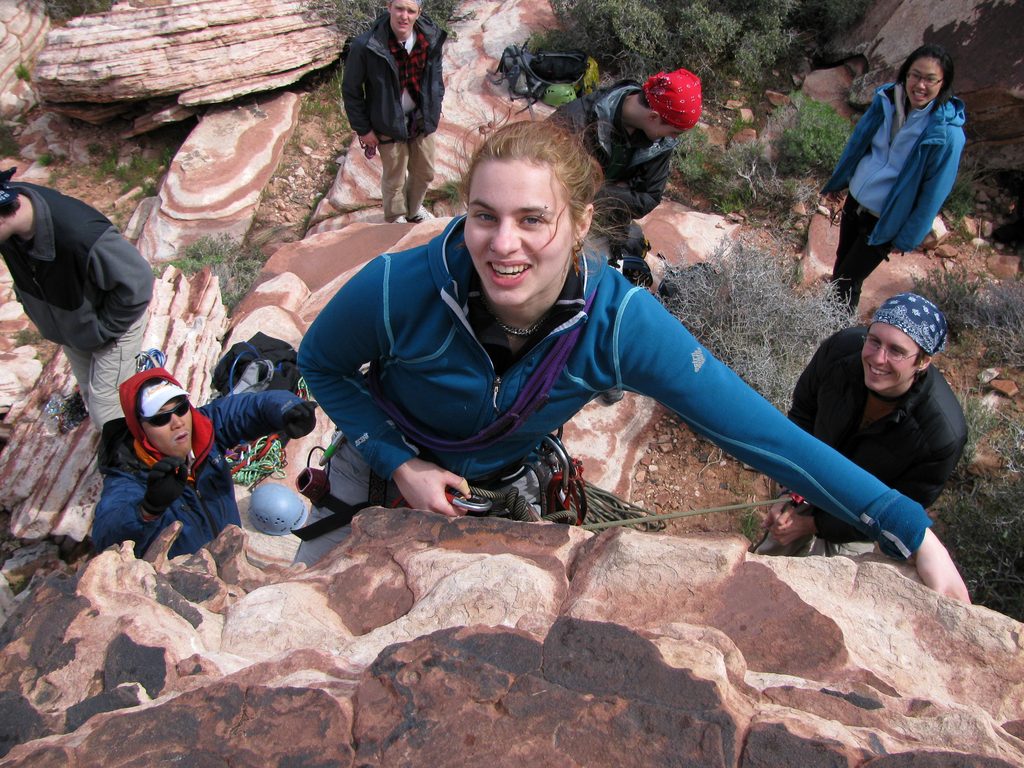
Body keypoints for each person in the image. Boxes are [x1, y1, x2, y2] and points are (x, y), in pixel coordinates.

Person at [297, 120, 969, 602]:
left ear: (581, 222)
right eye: (484, 215)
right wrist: (399, 462)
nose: (504, 245)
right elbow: (321, 365)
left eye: (533, 219)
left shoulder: (619, 325)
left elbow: (765, 436)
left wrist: (914, 535)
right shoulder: (398, 289)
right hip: (385, 464)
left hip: (500, 484)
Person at [756, 293, 967, 557]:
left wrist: (810, 525)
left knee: (829, 582)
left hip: (860, 518)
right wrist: (791, 491)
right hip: (810, 477)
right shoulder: (840, 353)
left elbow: (894, 510)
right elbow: (803, 415)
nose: (878, 359)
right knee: (774, 550)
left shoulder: (940, 436)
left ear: (923, 361)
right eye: (874, 341)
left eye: (897, 351)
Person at [92, 367, 317, 559]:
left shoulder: (205, 427)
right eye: (160, 418)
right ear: (140, 428)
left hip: (229, 557)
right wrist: (147, 510)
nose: (177, 422)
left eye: (180, 408)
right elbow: (106, 537)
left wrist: (287, 408)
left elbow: (251, 408)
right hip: (186, 585)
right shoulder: (130, 476)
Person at [0, 168, 153, 428]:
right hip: (73, 325)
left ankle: (133, 463)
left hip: (111, 326)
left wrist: (103, 330)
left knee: (107, 412)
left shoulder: (81, 235)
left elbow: (138, 282)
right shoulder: (14, 218)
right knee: (90, 395)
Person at [823, 44, 966, 311]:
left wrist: (908, 237)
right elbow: (859, 143)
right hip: (856, 203)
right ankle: (829, 330)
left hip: (884, 220)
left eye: (930, 79)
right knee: (841, 268)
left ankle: (834, 336)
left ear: (943, 83)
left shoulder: (946, 134)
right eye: (915, 75)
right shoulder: (887, 101)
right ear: (905, 74)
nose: (920, 85)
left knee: (847, 281)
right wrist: (841, 181)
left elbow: (934, 193)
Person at [550, 68, 701, 284]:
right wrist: (621, 191)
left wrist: (595, 190)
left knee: (631, 246)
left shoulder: (659, 142)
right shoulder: (574, 121)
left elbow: (648, 197)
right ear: (653, 116)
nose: (673, 139)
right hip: (562, 222)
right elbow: (547, 184)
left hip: (607, 224)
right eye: (674, 132)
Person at [342, 0, 446, 224]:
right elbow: (351, 90)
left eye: (410, 10)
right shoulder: (367, 45)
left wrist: (434, 108)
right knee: (395, 177)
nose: (404, 16)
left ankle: (413, 210)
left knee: (425, 171)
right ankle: (395, 217)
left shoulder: (430, 39)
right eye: (399, 8)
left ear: (419, 13)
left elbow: (436, 78)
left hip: (420, 120)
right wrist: (364, 129)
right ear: (389, 7)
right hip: (388, 121)